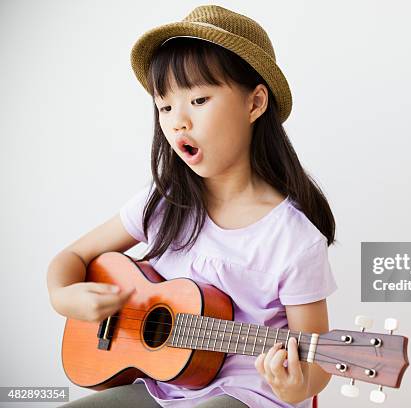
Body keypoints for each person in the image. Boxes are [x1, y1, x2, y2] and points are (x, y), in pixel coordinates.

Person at [47, 5, 337, 408]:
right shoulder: (164, 202)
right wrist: (64, 296)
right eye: (165, 107)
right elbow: (74, 256)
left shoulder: (294, 241)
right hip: (159, 386)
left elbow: (317, 361)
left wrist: (295, 385)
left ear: (254, 104)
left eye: (199, 99)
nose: (177, 122)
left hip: (245, 396)